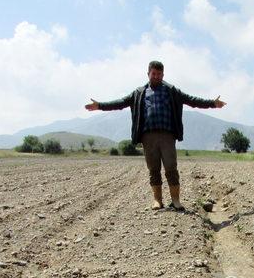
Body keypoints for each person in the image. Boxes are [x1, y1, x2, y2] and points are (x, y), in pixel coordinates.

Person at [85, 60, 226, 211]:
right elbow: (120, 103)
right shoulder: (139, 93)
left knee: (171, 167)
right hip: (148, 137)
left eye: (159, 74)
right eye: (154, 74)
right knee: (153, 169)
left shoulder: (171, 91)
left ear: (163, 74)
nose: (156, 77)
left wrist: (212, 103)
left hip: (167, 135)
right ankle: (157, 201)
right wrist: (99, 105)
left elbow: (192, 100)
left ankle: (176, 200)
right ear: (148, 74)